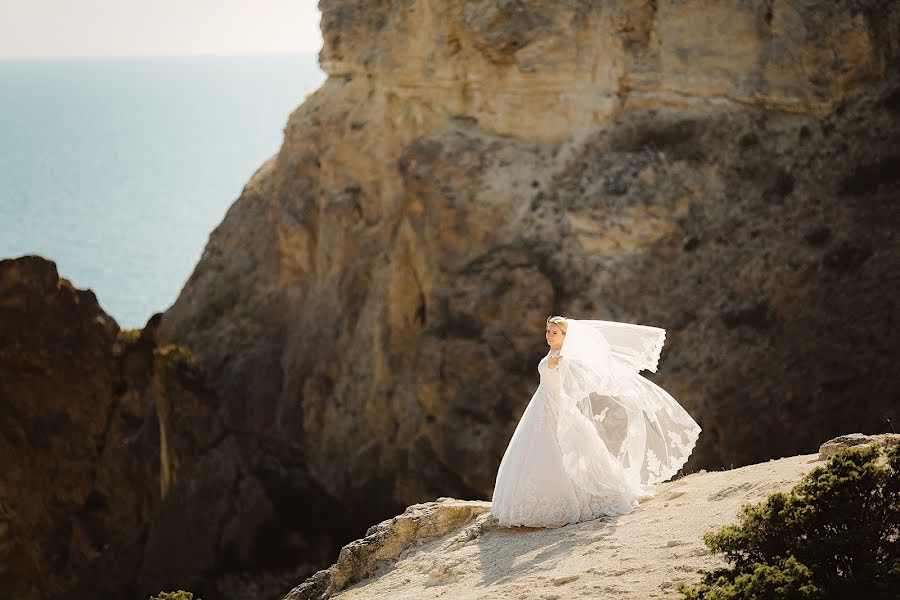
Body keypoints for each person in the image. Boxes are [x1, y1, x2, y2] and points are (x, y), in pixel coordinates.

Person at [489, 315, 701, 528]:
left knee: (559, 448)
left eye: (554, 333)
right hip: (544, 405)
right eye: (548, 332)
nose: (549, 336)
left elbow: (570, 378)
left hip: (555, 406)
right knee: (543, 450)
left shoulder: (560, 357)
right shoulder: (554, 353)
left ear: (565, 336)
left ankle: (580, 496)